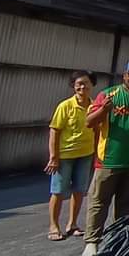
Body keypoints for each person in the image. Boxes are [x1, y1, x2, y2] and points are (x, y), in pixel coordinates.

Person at [80, 58, 129, 256]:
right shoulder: (107, 95)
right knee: (98, 202)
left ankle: (118, 239)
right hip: (108, 159)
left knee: (125, 203)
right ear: (124, 75)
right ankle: (92, 241)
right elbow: (89, 122)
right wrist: (104, 109)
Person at [45, 71, 95, 241]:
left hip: (86, 154)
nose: (82, 87)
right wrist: (53, 156)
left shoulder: (94, 106)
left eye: (86, 83)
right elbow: (54, 131)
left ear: (92, 85)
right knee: (58, 191)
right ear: (73, 86)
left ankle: (72, 224)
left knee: (80, 190)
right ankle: (54, 225)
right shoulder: (65, 106)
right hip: (65, 155)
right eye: (78, 84)